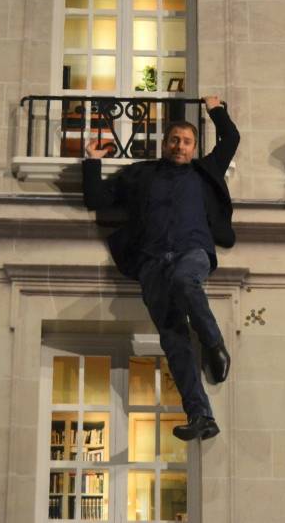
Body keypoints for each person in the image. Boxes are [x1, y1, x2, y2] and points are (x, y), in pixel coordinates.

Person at [82, 96, 239, 441]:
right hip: (152, 262)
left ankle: (213, 343)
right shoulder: (142, 174)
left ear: (194, 148)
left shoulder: (204, 171)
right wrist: (92, 161)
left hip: (192, 251)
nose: (180, 146)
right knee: (173, 339)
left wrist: (215, 109)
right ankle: (201, 416)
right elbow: (96, 199)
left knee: (185, 281)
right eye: (174, 140)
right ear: (164, 143)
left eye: (187, 142)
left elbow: (231, 138)